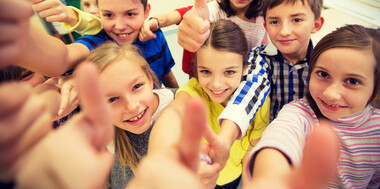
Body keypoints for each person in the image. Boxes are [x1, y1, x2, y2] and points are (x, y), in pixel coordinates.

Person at [245, 24, 380, 188]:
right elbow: (279, 141)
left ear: (376, 90)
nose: (331, 94)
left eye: (352, 81)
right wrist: (269, 180)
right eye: (323, 74)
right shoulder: (299, 113)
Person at [149, 19, 270, 189]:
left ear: (244, 69)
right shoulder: (192, 93)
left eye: (229, 72)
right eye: (206, 71)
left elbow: (252, 150)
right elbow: (173, 115)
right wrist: (160, 160)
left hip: (234, 178)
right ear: (196, 68)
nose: (216, 85)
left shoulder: (259, 101)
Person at [31, 0, 179, 88]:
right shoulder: (97, 43)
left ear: (146, 11)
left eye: (130, 14)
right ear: (99, 13)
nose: (120, 26)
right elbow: (63, 58)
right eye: (108, 15)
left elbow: (168, 76)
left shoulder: (156, 35)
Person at [87, 42, 176, 188]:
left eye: (136, 87)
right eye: (113, 99)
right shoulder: (107, 135)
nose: (132, 106)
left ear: (148, 78)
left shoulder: (183, 102)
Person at [140, 0, 268, 77]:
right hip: (203, 75)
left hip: (242, 77)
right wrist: (155, 21)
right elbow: (177, 15)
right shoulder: (214, 8)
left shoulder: (265, 16)